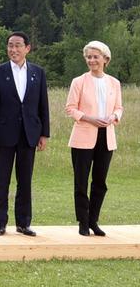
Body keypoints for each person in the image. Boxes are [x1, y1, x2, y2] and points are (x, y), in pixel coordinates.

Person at [0, 31, 49, 236]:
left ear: (27, 48)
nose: (14, 49)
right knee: (2, 180)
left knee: (25, 180)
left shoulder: (38, 73)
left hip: (29, 134)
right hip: (4, 134)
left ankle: (23, 222)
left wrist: (44, 133)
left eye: (18, 45)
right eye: (10, 45)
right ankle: (0, 222)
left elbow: (43, 105)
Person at [66, 40, 123, 237]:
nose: (91, 60)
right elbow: (70, 108)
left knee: (100, 181)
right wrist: (90, 118)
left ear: (105, 59)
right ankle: (82, 221)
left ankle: (93, 221)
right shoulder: (78, 82)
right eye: (88, 57)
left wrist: (114, 117)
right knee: (81, 181)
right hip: (83, 136)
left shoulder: (114, 83)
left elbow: (119, 108)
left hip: (106, 137)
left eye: (95, 57)